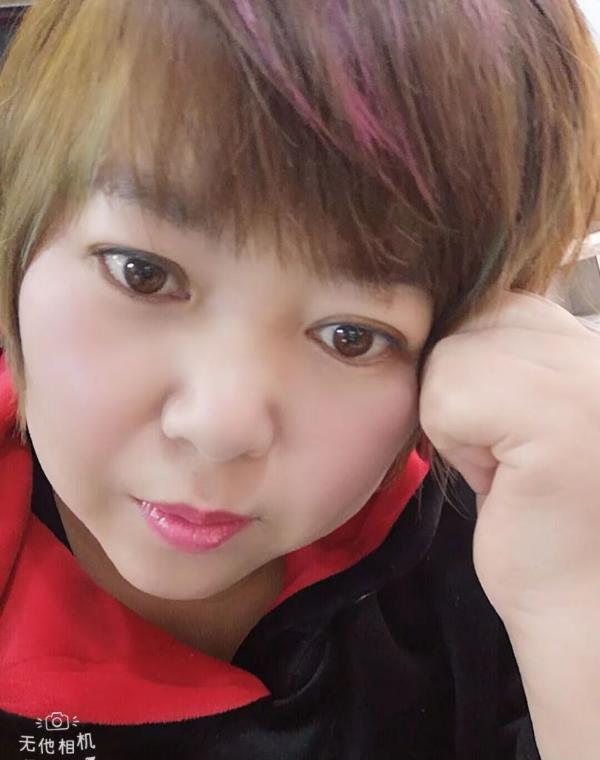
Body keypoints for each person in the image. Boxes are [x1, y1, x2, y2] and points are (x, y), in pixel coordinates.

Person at [0, 1, 598, 758]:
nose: (219, 427)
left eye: (352, 337)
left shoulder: (509, 540)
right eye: (142, 273)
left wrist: (575, 612)